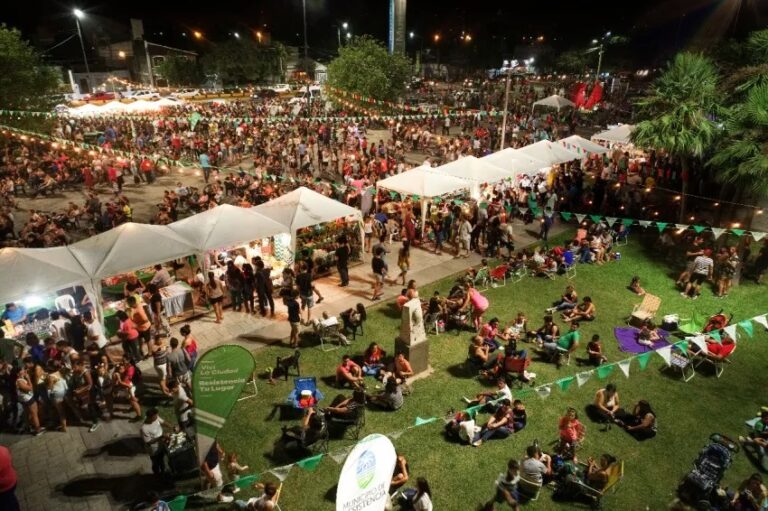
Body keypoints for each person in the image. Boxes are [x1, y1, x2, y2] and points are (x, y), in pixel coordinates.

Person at [141, 408, 170, 474]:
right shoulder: (144, 428)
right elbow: (149, 442)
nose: (157, 417)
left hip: (161, 444)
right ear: (151, 417)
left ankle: (163, 471)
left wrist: (172, 427)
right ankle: (156, 475)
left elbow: (163, 422)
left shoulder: (155, 417)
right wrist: (161, 437)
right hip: (153, 449)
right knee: (156, 463)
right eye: (156, 416)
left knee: (162, 460)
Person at [0, 445, 19, 511]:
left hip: (5, 488)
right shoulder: (2, 450)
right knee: (11, 500)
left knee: (8, 504)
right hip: (10, 481)